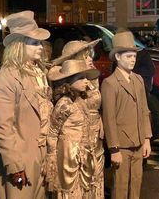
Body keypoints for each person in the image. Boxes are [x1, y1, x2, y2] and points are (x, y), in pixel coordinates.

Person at [0, 10, 53, 199]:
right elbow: (3, 128)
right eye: (34, 42)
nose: (40, 47)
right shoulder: (4, 80)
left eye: (39, 42)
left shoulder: (39, 75)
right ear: (19, 45)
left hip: (41, 154)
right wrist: (15, 166)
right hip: (21, 159)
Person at [50, 39, 104, 198]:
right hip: (73, 144)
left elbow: (95, 105)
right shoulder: (69, 89)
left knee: (93, 181)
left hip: (94, 138)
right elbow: (56, 127)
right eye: (85, 56)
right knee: (75, 184)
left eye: (90, 55)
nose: (90, 59)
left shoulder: (91, 77)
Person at [101, 30, 152, 199]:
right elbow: (109, 119)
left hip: (138, 142)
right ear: (117, 57)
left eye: (134, 56)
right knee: (121, 186)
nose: (132, 60)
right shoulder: (110, 83)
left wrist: (146, 139)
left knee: (136, 183)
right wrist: (114, 149)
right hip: (122, 145)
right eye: (128, 56)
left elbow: (145, 110)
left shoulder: (138, 79)